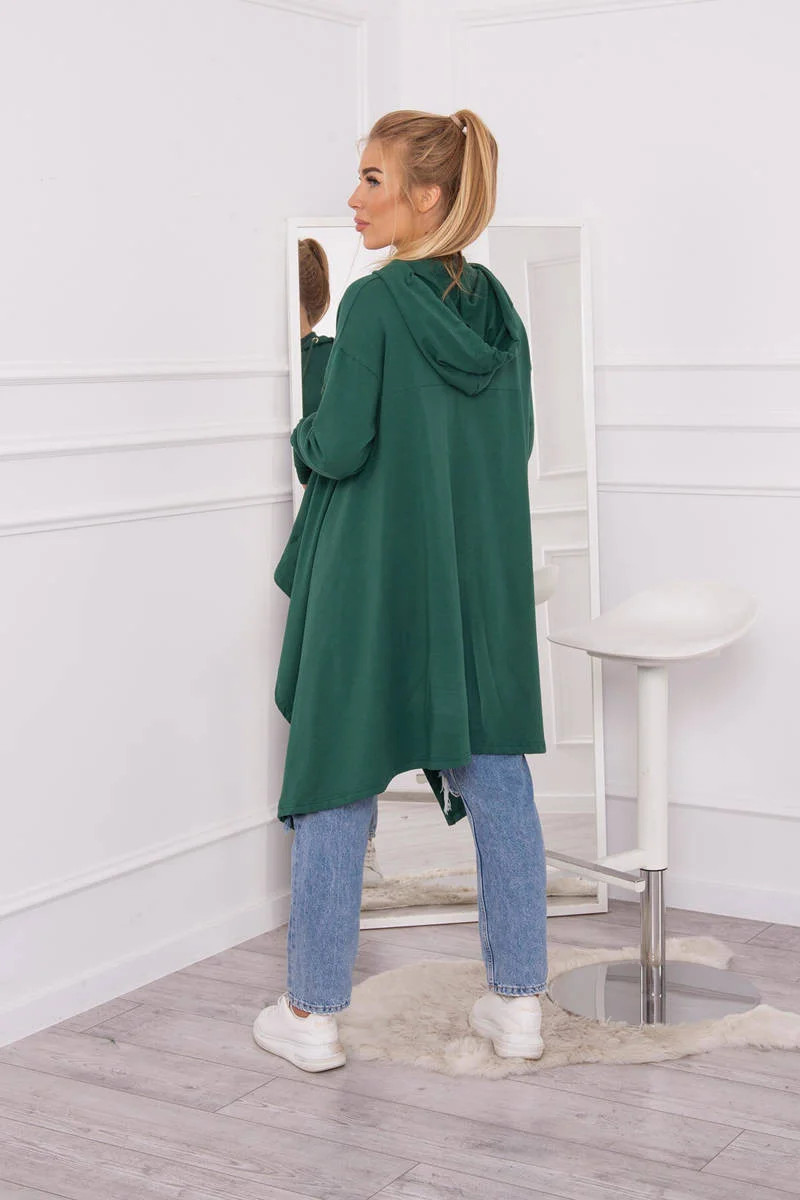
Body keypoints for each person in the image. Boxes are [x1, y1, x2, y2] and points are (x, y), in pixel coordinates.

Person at [253, 109, 548, 1072]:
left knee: (339, 772)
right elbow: (514, 444)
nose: (353, 198)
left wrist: (306, 421)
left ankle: (311, 1013)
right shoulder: (499, 308)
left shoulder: (375, 303)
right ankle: (519, 1003)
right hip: (476, 584)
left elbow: (339, 447)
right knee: (498, 778)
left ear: (427, 196)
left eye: (372, 180)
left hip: (376, 579)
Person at [296, 238, 384, 887]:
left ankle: (357, 849)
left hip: (335, 543)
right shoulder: (323, 356)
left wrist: (302, 438)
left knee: (338, 713)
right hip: (340, 541)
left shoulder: (328, 356)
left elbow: (335, 445)